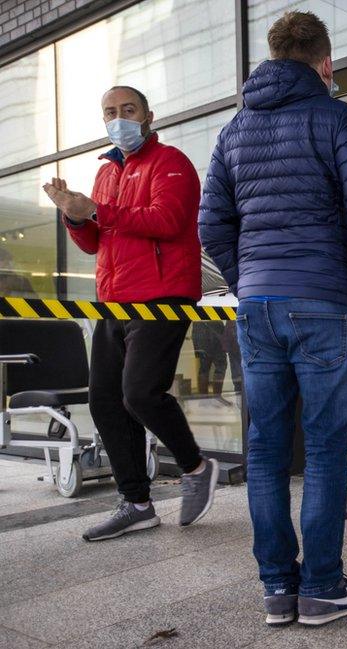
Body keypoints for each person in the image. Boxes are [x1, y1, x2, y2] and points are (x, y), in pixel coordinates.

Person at [198, 11, 347, 627]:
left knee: (265, 450)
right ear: (325, 64)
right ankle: (323, 588)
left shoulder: (233, 131)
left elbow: (211, 226)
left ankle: (278, 589)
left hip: (256, 307)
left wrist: (246, 281)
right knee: (329, 451)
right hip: (324, 301)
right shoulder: (338, 118)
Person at [41, 85, 218, 541]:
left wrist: (98, 209)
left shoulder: (171, 162)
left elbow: (168, 221)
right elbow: (95, 242)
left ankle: (196, 466)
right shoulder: (106, 173)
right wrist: (75, 217)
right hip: (114, 298)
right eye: (110, 112)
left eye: (128, 110)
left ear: (148, 116)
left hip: (162, 296)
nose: (118, 118)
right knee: (105, 400)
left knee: (139, 394)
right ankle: (137, 503)